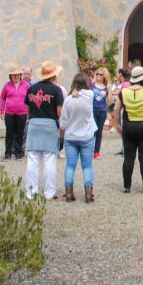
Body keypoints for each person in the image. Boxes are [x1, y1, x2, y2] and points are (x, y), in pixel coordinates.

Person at [111, 66, 143, 194]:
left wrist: (117, 125)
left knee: (128, 157)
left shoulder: (123, 92)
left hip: (129, 126)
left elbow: (116, 110)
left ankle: (126, 186)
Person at [23, 61, 64, 200]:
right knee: (49, 159)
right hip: (50, 124)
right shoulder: (57, 90)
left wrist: (32, 120)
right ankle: (49, 192)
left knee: (32, 159)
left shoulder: (31, 88)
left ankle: (31, 192)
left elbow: (28, 109)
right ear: (53, 76)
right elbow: (59, 112)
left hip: (34, 123)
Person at [60, 72, 96, 203]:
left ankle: (69, 192)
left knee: (70, 165)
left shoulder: (68, 100)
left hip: (71, 136)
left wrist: (61, 137)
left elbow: (63, 122)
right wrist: (80, 92)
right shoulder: (89, 97)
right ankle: (88, 194)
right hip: (86, 135)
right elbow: (90, 91)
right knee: (87, 166)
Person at [0, 66, 30, 160]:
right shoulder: (7, 85)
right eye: (13, 75)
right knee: (9, 133)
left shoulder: (26, 85)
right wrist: (2, 111)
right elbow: (2, 98)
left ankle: (19, 153)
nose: (16, 77)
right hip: (9, 113)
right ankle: (8, 153)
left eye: (17, 75)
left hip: (22, 113)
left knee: (20, 133)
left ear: (20, 75)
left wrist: (30, 111)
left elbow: (30, 98)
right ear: (11, 76)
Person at [91, 67, 111, 159]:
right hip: (92, 110)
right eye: (97, 74)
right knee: (92, 131)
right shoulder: (92, 85)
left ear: (104, 76)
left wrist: (108, 92)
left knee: (99, 132)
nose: (98, 75)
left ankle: (96, 152)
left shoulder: (107, 87)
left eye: (101, 74)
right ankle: (89, 150)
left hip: (102, 110)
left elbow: (110, 101)